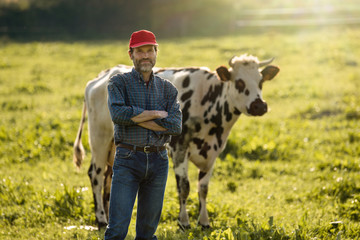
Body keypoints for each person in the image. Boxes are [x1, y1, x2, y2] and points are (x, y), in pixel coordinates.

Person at [104, 30, 182, 240]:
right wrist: (156, 115)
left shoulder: (168, 89)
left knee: (148, 233)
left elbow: (175, 126)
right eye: (140, 51)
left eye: (150, 50)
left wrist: (136, 117)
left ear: (156, 53)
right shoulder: (118, 83)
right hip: (128, 159)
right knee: (117, 230)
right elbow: (118, 114)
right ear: (131, 54)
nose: (145, 56)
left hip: (158, 161)